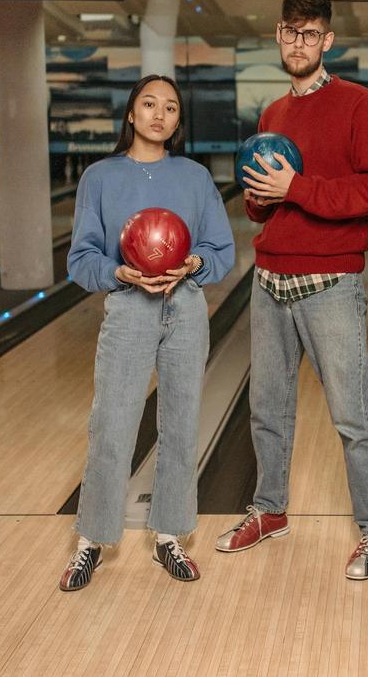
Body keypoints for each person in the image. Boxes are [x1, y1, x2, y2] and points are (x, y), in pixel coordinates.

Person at [217, 0, 368, 580]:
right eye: (291, 33)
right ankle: (270, 510)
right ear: (278, 35)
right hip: (269, 280)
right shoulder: (272, 114)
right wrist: (259, 200)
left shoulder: (358, 104)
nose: (300, 43)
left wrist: (294, 188)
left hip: (330, 283)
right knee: (267, 409)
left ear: (328, 41)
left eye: (311, 34)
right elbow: (267, 210)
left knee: (352, 416)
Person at [61, 74, 236, 592]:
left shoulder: (196, 178)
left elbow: (220, 250)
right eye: (149, 104)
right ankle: (90, 542)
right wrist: (120, 272)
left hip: (184, 308)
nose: (160, 115)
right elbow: (81, 257)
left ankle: (170, 537)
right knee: (111, 425)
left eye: (171, 108)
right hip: (129, 309)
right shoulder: (100, 176)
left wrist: (193, 265)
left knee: (181, 427)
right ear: (132, 114)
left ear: (178, 121)